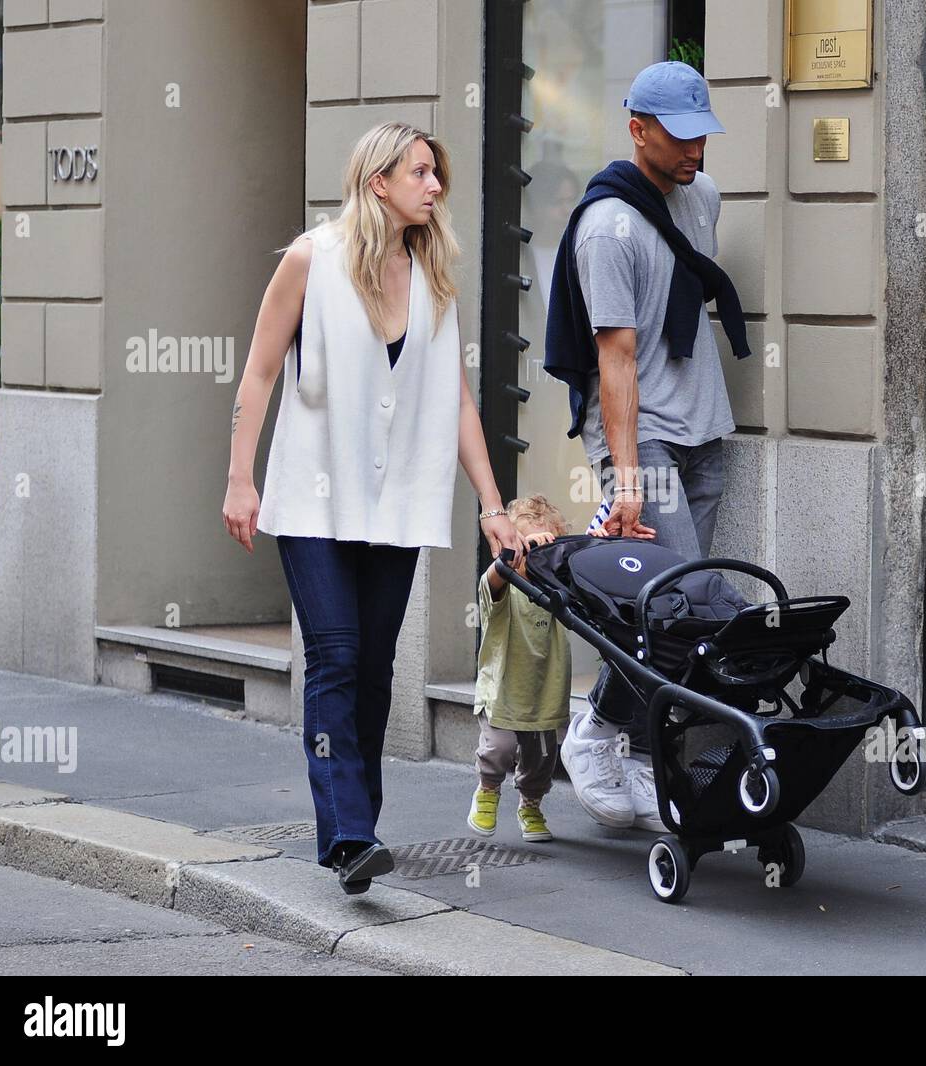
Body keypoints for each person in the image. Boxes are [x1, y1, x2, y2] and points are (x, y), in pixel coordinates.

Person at [223, 122, 527, 895]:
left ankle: (359, 825)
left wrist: (492, 502)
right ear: (377, 181)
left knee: (377, 668)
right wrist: (240, 480)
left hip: (394, 507)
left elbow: (455, 397)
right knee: (336, 655)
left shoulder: (431, 277)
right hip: (315, 501)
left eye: (436, 174)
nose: (434, 186)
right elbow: (259, 373)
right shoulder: (310, 260)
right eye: (420, 172)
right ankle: (349, 835)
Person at [543, 62, 753, 830]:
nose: (697, 149)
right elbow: (617, 359)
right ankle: (595, 731)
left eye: (703, 133)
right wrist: (626, 480)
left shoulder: (704, 196)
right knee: (680, 600)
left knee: (671, 616)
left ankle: (635, 750)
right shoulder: (606, 228)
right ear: (639, 129)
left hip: (705, 427)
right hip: (646, 442)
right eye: (680, 135)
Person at [467, 494, 571, 842]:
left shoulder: (559, 592)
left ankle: (530, 803)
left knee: (541, 762)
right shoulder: (500, 589)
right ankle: (488, 789)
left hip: (544, 697)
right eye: (529, 546)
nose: (536, 556)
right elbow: (497, 576)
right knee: (498, 749)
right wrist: (515, 553)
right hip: (502, 695)